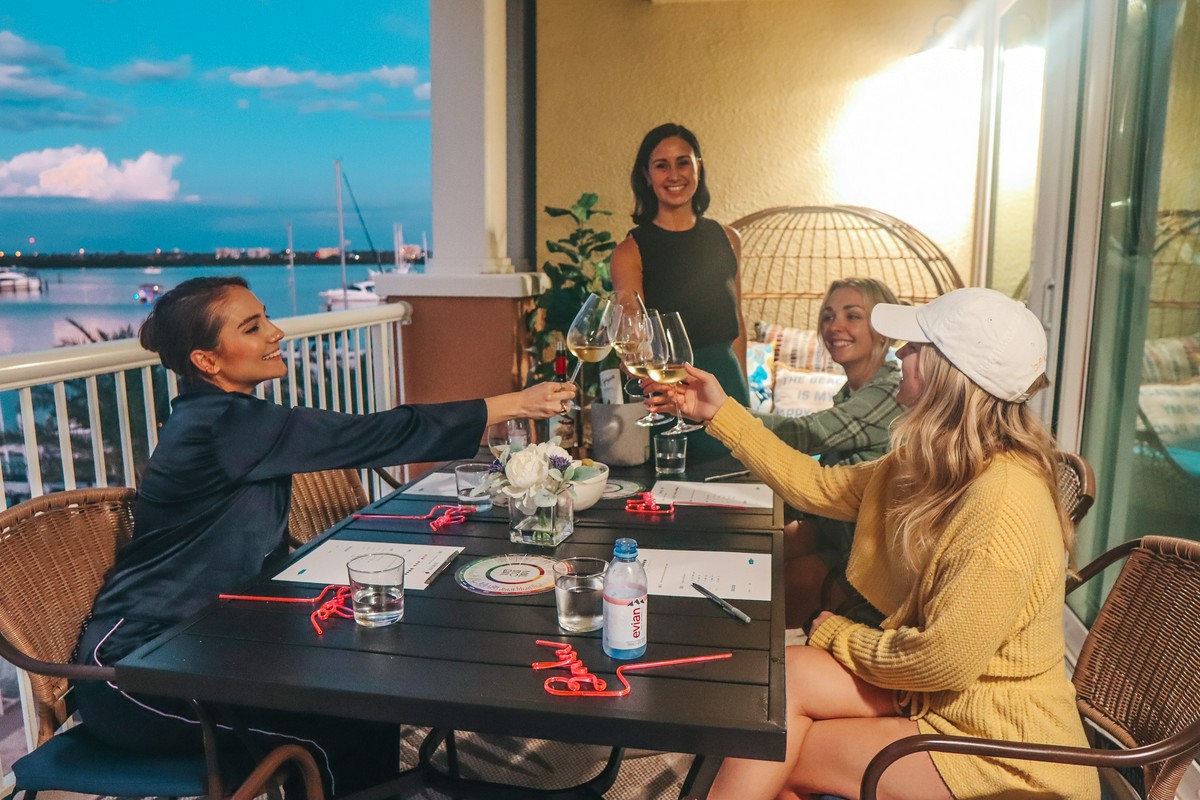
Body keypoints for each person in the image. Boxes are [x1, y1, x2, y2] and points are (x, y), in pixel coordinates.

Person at [72, 276, 575, 797]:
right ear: (207, 361)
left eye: (266, 318)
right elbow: (376, 433)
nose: (276, 333)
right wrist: (512, 403)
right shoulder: (224, 425)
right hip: (138, 673)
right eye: (253, 327)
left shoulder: (227, 418)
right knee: (335, 728)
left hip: (212, 643)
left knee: (368, 700)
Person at [662, 288, 1099, 799]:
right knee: (785, 687)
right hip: (938, 698)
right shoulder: (936, 461)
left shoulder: (1004, 502)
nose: (898, 353)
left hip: (1000, 743)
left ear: (948, 370)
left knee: (782, 749)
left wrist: (837, 634)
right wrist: (720, 413)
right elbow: (820, 486)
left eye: (914, 346)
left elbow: (939, 662)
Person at [754, 277, 904, 629]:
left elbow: (808, 434)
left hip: (872, 566)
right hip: (838, 534)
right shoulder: (850, 392)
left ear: (883, 329)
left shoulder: (891, 390)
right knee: (755, 553)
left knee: (765, 594)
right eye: (827, 316)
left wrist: (719, 413)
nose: (834, 326)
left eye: (852, 316)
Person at [611, 122, 749, 457]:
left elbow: (738, 324)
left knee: (740, 487)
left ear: (698, 166)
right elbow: (630, 344)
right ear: (647, 175)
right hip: (669, 390)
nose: (674, 174)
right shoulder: (629, 251)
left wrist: (745, 394)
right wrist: (659, 391)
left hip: (727, 383)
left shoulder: (728, 238)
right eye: (662, 165)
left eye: (683, 162)